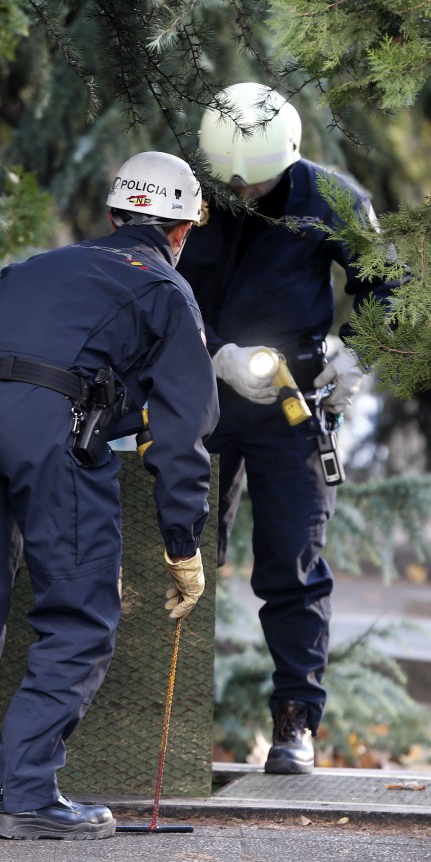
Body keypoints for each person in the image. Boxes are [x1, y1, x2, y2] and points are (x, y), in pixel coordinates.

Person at [0, 150, 219, 840]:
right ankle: (24, 792)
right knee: (81, 611)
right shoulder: (166, 291)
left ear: (115, 214)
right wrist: (183, 546)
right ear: (180, 231)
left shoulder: (33, 268)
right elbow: (182, 436)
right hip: (49, 427)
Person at [177, 82, 401, 774]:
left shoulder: (334, 200)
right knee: (179, 545)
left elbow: (385, 288)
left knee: (294, 566)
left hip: (291, 404)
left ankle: (295, 723)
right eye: (233, 183)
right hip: (203, 395)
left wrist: (358, 352)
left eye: (259, 183)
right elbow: (157, 283)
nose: (245, 194)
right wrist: (216, 352)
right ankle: (164, 715)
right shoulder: (193, 193)